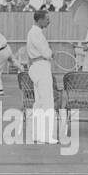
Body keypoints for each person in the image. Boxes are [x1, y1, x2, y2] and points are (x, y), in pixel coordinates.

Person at [24, 10, 59, 144]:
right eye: (47, 19)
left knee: (39, 102)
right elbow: (46, 53)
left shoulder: (35, 33)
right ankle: (45, 136)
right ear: (40, 20)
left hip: (38, 66)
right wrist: (51, 53)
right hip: (41, 67)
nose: (49, 21)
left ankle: (37, 134)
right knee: (47, 101)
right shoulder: (36, 33)